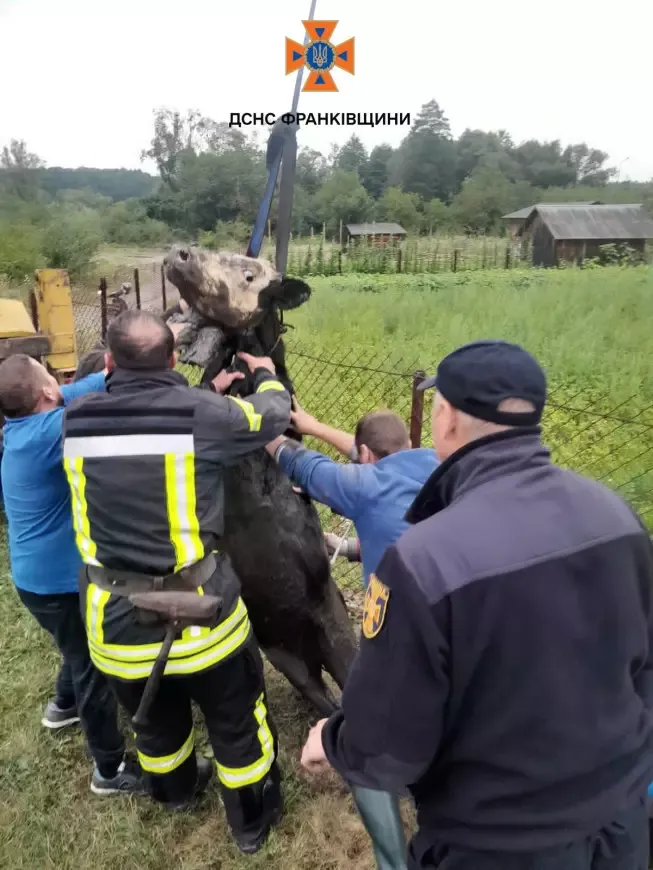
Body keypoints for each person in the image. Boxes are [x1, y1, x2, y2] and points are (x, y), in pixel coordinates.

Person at [301, 339, 653, 870]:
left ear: (445, 420)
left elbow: (387, 747)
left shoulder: (423, 560)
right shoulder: (616, 515)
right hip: (622, 824)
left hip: (499, 844)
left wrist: (331, 739)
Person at [61, 309, 291, 854]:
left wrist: (203, 397)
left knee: (155, 720)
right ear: (171, 360)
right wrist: (263, 374)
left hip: (114, 625)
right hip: (204, 620)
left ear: (110, 361)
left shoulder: (75, 419)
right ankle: (252, 822)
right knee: (237, 721)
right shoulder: (203, 416)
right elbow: (273, 414)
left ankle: (173, 791)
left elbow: (144, 429)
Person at [0, 353, 142, 796]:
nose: (56, 378)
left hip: (34, 578)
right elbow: (90, 407)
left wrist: (107, 372)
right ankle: (109, 770)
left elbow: (74, 392)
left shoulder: (21, 430)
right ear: (46, 391)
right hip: (57, 583)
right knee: (92, 667)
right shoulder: (49, 433)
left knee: (72, 642)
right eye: (48, 373)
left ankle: (62, 707)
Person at [266, 404, 438, 589]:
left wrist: (256, 425)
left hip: (405, 612)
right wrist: (346, 547)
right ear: (409, 444)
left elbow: (302, 464)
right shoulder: (436, 463)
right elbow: (400, 537)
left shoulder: (366, 487)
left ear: (365, 453)